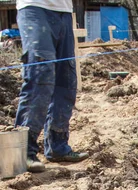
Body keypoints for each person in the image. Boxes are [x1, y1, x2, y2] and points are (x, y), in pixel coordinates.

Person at [15, 0, 88, 172]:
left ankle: (58, 144)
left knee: (66, 81)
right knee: (41, 74)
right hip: (34, 7)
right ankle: (23, 151)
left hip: (64, 11)